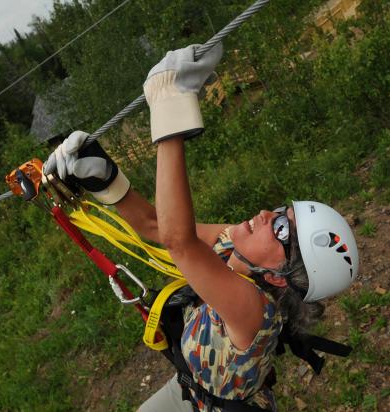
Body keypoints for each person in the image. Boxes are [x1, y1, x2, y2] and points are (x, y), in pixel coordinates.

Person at [44, 43, 359, 412]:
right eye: (280, 211)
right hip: (189, 389)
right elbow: (156, 226)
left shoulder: (253, 308)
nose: (265, 214)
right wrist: (107, 179)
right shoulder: (237, 246)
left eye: (282, 230)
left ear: (277, 277)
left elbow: (179, 242)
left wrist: (169, 105)